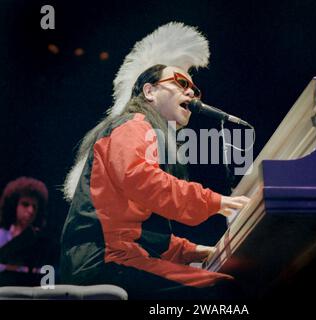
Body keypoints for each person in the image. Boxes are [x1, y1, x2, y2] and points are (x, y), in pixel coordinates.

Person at [60, 22, 250, 299]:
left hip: (115, 258)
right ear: (149, 92)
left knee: (225, 285)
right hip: (102, 262)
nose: (191, 93)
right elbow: (141, 180)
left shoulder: (151, 138)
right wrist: (217, 202)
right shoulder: (133, 124)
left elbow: (145, 234)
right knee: (221, 289)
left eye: (196, 90)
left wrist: (193, 251)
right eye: (182, 83)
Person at [0, 176, 49, 285]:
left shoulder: (39, 242)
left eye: (34, 207)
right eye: (25, 204)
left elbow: (47, 275)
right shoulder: (1, 235)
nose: (31, 210)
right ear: (14, 205)